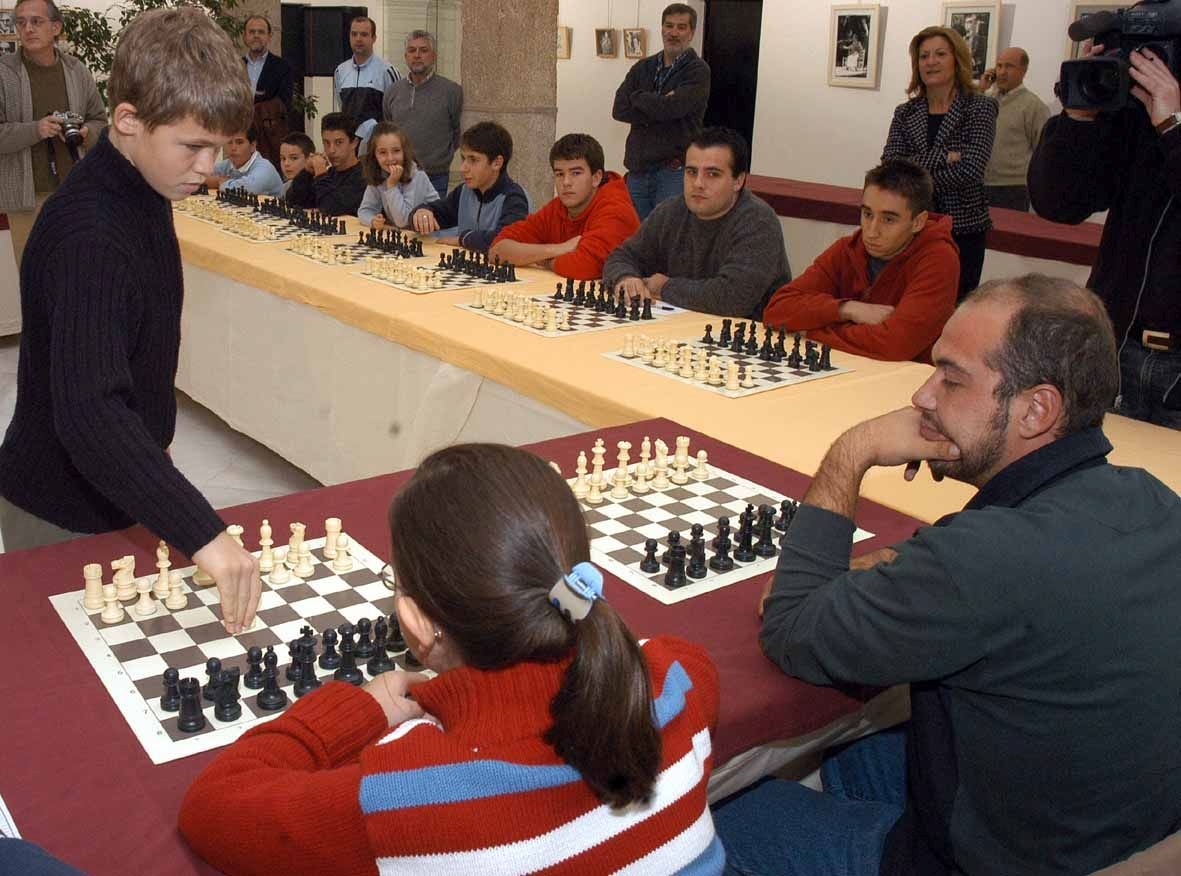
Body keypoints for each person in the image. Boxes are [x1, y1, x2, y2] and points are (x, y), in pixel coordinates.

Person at [713, 274, 1181, 875]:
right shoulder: (1151, 500)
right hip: (1103, 832)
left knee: (704, 813)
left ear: (1037, 409)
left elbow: (792, 628)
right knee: (859, 739)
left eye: (952, 378)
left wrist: (849, 452)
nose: (923, 397)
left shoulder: (990, 557)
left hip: (992, 860)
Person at [178, 443, 723, 875]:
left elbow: (211, 809)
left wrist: (365, 710)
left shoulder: (412, 800)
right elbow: (660, 655)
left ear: (414, 624)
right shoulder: (681, 679)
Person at [0, 8, 260, 631]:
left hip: (113, 490)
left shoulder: (141, 187)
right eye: (194, 147)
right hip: (60, 509)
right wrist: (205, 532)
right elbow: (90, 412)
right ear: (126, 121)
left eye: (218, 148)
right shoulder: (92, 231)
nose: (208, 167)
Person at [1029, 43, 1181, 430]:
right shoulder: (1136, 112)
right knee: (1095, 486)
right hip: (1115, 345)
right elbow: (1058, 203)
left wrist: (1174, 127)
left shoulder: (1164, 118)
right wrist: (1079, 114)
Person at [764, 160, 958, 363]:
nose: (872, 231)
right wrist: (846, 309)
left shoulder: (939, 259)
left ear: (918, 222)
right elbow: (777, 310)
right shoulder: (847, 248)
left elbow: (894, 344)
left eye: (888, 219)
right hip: (847, 368)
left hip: (907, 382)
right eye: (867, 214)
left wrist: (810, 331)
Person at [602, 126, 791, 320]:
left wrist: (664, 286)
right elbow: (622, 256)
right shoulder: (671, 211)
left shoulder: (758, 222)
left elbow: (731, 298)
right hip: (680, 328)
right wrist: (626, 278)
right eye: (691, 172)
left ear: (738, 181)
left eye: (712, 174)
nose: (698, 183)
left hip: (743, 340)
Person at [882, 25, 997, 301]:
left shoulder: (979, 108)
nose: (931, 62)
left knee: (954, 311)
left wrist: (914, 176)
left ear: (956, 59)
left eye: (940, 54)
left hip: (963, 231)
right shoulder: (906, 112)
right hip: (911, 230)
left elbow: (970, 170)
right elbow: (890, 166)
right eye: (924, 56)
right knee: (910, 306)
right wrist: (947, 156)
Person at [0, 0, 106, 271]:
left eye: (36, 21)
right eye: (21, 22)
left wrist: (85, 134)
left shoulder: (76, 70)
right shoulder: (3, 73)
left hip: (75, 193)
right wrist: (36, 130)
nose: (27, 28)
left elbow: (99, 121)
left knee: (79, 273)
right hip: (26, 198)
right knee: (34, 277)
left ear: (55, 27)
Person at [489, 132, 640, 279]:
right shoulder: (557, 207)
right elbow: (498, 249)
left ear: (596, 178)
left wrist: (542, 260)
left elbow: (583, 267)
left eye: (576, 173)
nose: (566, 182)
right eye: (560, 174)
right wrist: (559, 248)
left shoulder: (616, 209)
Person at [612, 3, 710, 219]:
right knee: (635, 238)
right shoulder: (643, 67)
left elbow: (673, 108)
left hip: (672, 172)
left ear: (692, 32)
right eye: (669, 25)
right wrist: (659, 103)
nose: (674, 32)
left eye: (681, 27)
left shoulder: (697, 71)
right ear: (662, 28)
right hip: (638, 172)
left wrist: (638, 97)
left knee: (667, 240)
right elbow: (619, 109)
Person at [408, 120, 528, 252]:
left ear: (497, 163)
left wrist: (462, 239)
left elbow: (505, 240)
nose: (463, 168)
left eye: (473, 160)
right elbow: (438, 213)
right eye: (463, 158)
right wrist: (421, 213)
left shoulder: (514, 197)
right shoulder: (465, 191)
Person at [382, 30, 462, 198]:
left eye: (423, 50)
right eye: (412, 50)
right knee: (400, 221)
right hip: (399, 174)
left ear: (434, 56)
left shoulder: (451, 91)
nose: (417, 55)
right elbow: (388, 130)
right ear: (405, 56)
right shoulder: (392, 91)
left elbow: (456, 132)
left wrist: (439, 158)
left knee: (431, 222)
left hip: (435, 175)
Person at [981, 47, 1049, 211]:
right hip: (979, 185)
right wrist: (981, 89)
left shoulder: (1034, 106)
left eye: (1009, 66)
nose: (1002, 72)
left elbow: (1042, 151)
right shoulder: (986, 100)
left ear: (1023, 71)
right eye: (999, 66)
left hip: (1012, 189)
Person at [357, 122, 439, 229]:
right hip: (406, 235)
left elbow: (404, 221)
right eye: (382, 152)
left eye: (396, 151)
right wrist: (372, 220)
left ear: (405, 151)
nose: (390, 158)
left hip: (431, 237)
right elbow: (365, 210)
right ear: (374, 155)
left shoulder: (417, 176)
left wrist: (391, 185)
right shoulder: (380, 174)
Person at [335, 15, 399, 149]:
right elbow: (342, 108)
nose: (358, 39)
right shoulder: (340, 71)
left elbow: (396, 115)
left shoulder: (387, 71)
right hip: (349, 148)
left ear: (374, 38)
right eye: (354, 34)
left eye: (364, 34)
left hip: (377, 147)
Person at [285, 112, 366, 217]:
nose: (331, 150)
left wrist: (320, 175)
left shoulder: (363, 177)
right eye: (326, 143)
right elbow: (293, 202)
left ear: (354, 143)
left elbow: (331, 209)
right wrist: (307, 172)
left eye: (338, 142)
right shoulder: (330, 174)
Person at [241, 14, 292, 168]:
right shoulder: (235, 66)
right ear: (244, 36)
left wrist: (256, 109)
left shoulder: (282, 67)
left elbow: (285, 102)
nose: (256, 36)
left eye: (261, 32)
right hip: (240, 136)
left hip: (270, 139)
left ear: (269, 36)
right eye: (252, 32)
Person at [204, 125, 283, 197]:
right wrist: (218, 181)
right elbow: (197, 177)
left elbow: (250, 188)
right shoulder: (227, 164)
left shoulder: (265, 168)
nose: (233, 148)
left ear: (253, 146)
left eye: (239, 142)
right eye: (229, 142)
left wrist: (218, 182)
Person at [277, 131, 313, 199]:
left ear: (309, 158)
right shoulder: (286, 187)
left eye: (294, 158)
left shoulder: (317, 188)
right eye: (283, 158)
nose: (286, 164)